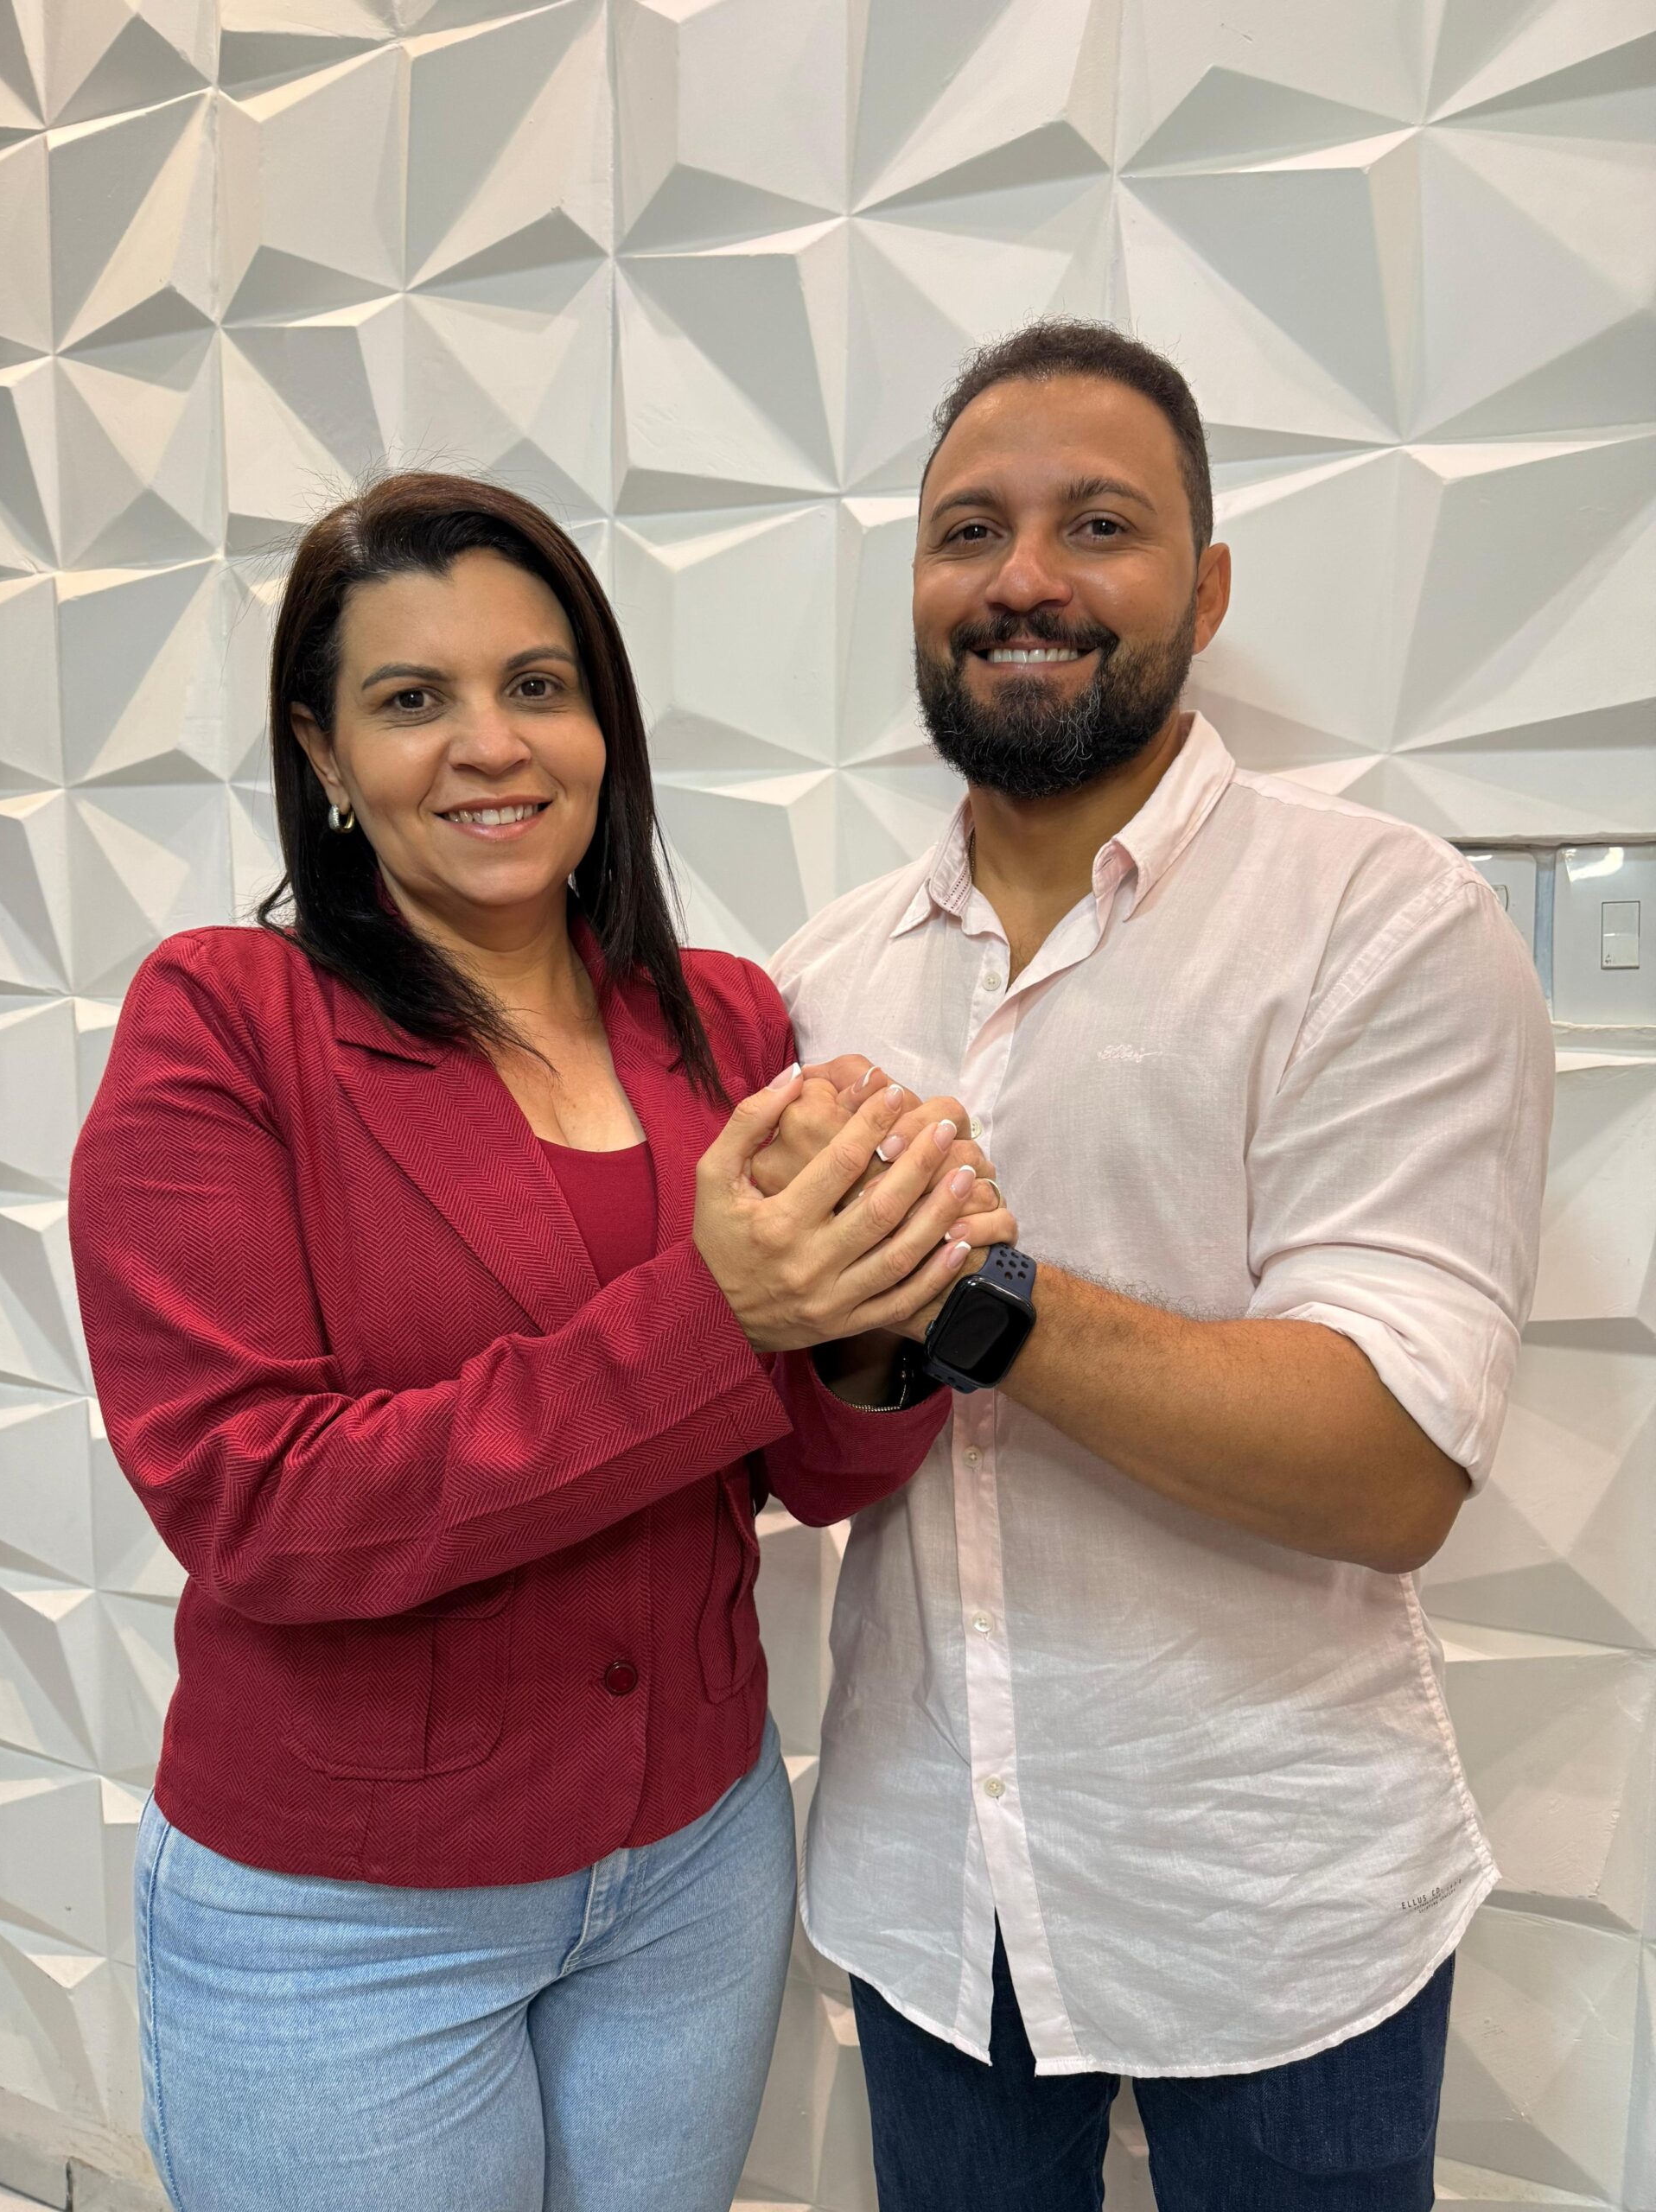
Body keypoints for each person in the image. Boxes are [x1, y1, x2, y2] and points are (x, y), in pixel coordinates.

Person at [67, 472, 1016, 2212]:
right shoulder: (226, 1020)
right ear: (325, 754)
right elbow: (255, 1501)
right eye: (410, 698)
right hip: (346, 1915)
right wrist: (718, 1309)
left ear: (602, 725)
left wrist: (887, 1307)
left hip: (696, 1863)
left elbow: (808, 1464)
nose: (491, 743)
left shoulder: (722, 1015)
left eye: (536, 684)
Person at [765, 323, 1552, 2210]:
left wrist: (966, 1296)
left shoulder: (1381, 921)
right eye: (970, 530)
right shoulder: (822, 975)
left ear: (1205, 591)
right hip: (928, 1879)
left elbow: (1390, 1467)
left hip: (1272, 1896)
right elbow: (813, 1429)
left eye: (1099, 524)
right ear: (916, 591)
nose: (1024, 576)